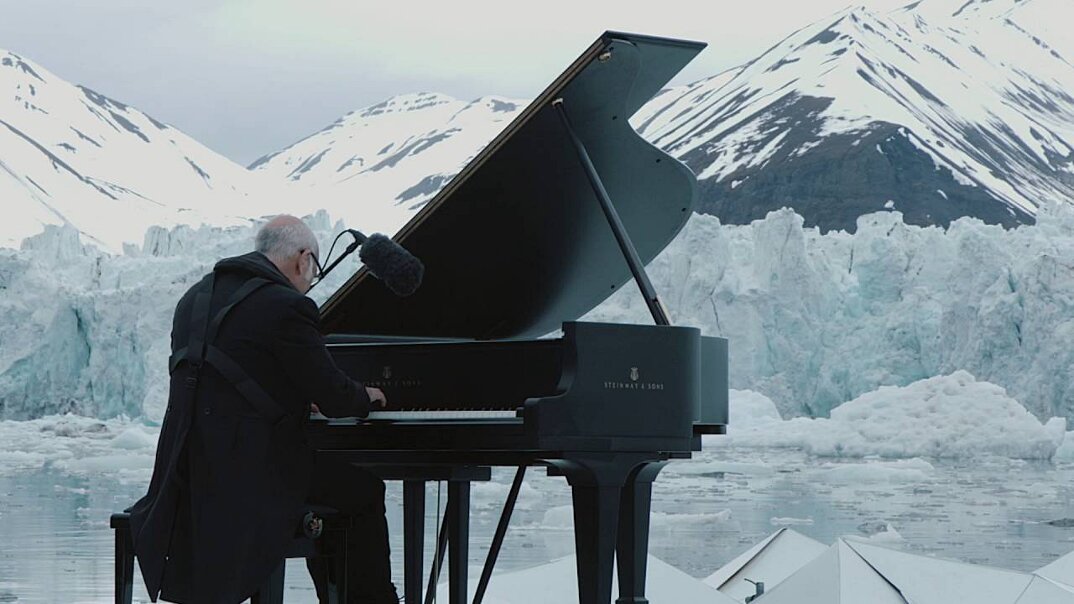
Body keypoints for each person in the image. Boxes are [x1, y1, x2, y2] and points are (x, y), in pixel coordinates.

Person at [128, 215, 399, 603]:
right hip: (250, 477)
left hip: (186, 471)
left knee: (326, 489)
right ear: (303, 259)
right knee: (363, 491)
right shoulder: (286, 305)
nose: (311, 278)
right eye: (314, 269)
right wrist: (365, 395)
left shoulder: (194, 299)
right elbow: (337, 397)